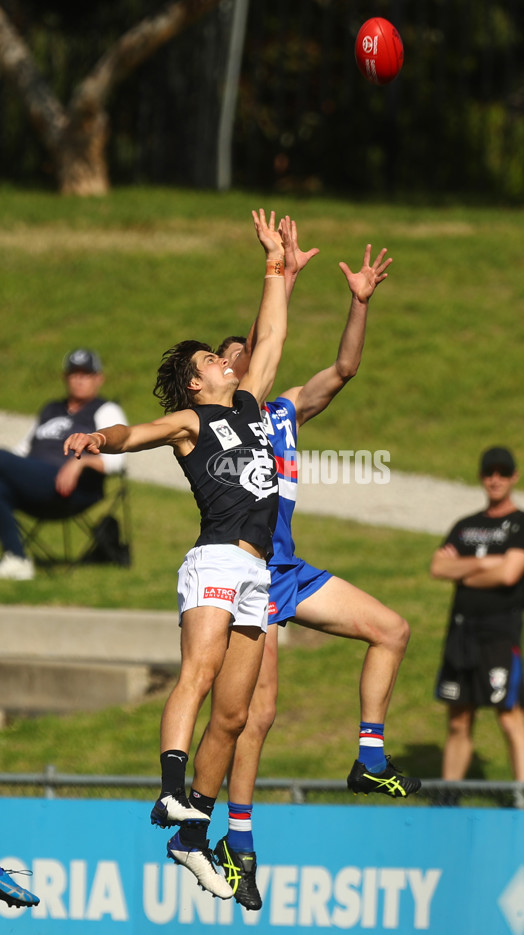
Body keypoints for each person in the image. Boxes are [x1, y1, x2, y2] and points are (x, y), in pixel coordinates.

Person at [64, 209, 291, 901]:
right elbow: (141, 429)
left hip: (256, 570)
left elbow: (274, 333)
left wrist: (275, 265)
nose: (227, 360)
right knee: (198, 670)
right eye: (210, 361)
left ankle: (192, 835)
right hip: (216, 559)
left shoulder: (251, 403)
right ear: (196, 383)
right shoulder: (196, 419)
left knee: (237, 710)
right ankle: (171, 793)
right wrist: (102, 440)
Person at [211, 231, 421, 910]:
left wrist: (358, 303)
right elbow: (259, 339)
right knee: (257, 714)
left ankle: (369, 756)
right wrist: (277, 276)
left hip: (289, 569)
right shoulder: (229, 417)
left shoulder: (287, 409)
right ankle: (238, 845)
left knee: (392, 628)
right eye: (233, 357)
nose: (246, 360)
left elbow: (346, 367)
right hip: (250, 575)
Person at [430, 446, 524, 808]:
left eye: (503, 472)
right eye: (489, 472)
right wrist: (488, 564)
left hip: (500, 633)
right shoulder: (466, 525)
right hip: (462, 632)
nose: (495, 479)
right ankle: (448, 798)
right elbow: (438, 568)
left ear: (514, 477)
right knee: (459, 719)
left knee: (509, 716)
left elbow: (512, 573)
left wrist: (466, 567)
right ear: (481, 477)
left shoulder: (523, 523)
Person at [0, 348, 127, 580]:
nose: (79, 379)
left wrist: (80, 464)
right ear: (65, 378)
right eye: (73, 373)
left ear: (99, 378)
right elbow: (21, 451)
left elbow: (116, 462)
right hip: (35, 482)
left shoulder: (105, 410)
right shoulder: (51, 409)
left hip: (72, 489)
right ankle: (17, 559)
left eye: (86, 374)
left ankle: (17, 560)